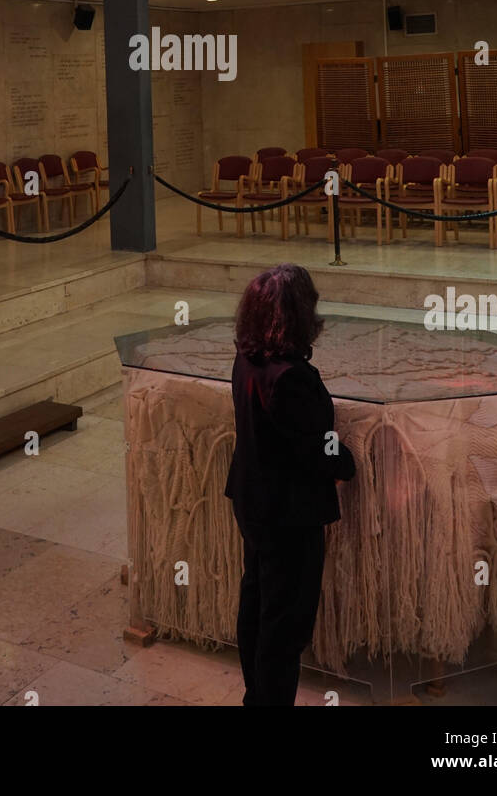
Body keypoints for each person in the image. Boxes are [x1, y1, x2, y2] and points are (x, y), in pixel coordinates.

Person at [224, 263, 355, 706]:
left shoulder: (247, 357)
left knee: (258, 604)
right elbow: (315, 448)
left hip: (252, 500)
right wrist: (348, 463)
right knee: (286, 625)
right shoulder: (291, 377)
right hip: (289, 514)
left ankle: (255, 698)